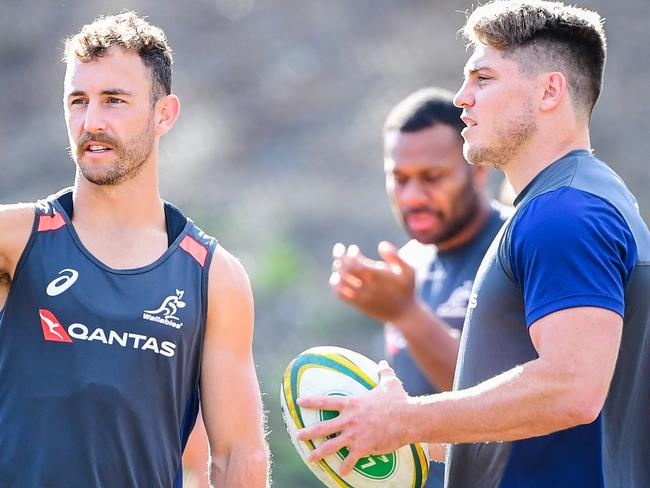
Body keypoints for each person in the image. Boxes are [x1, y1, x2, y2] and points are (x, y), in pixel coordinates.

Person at [298, 2, 649, 487]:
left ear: (550, 90)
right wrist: (384, 428)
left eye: (483, 79)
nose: (462, 97)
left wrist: (406, 420)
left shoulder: (564, 212)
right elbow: (535, 430)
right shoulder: (571, 201)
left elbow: (572, 390)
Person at [0, 12, 269, 487]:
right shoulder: (14, 242)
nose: (92, 121)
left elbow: (237, 457)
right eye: (78, 101)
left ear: (163, 113)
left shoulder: (212, 277)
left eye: (114, 101)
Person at [329, 87, 508, 487]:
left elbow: (510, 407)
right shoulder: (406, 265)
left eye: (432, 177)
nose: (413, 197)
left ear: (477, 168)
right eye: (400, 179)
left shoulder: (519, 247)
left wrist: (408, 315)